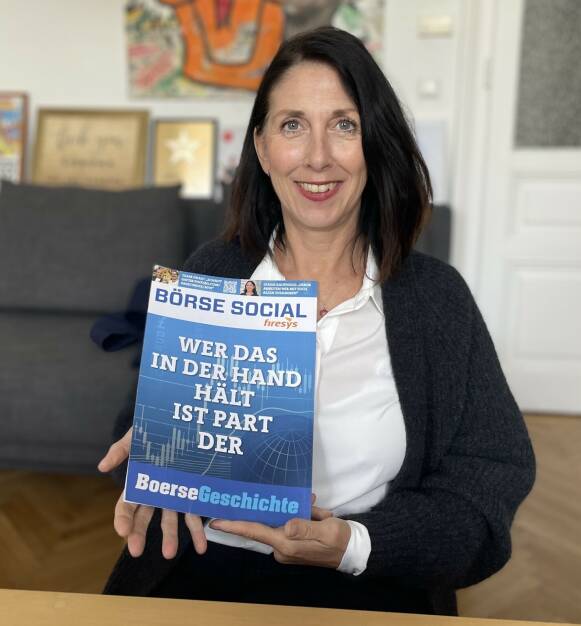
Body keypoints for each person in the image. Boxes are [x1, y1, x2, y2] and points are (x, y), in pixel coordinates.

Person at [99, 26, 535, 615]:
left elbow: (487, 483)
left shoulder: (437, 299)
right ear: (262, 149)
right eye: (292, 125)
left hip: (371, 581)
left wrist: (356, 544)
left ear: (374, 143)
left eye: (345, 125)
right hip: (201, 570)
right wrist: (152, 449)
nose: (318, 156)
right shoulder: (213, 271)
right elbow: (141, 423)